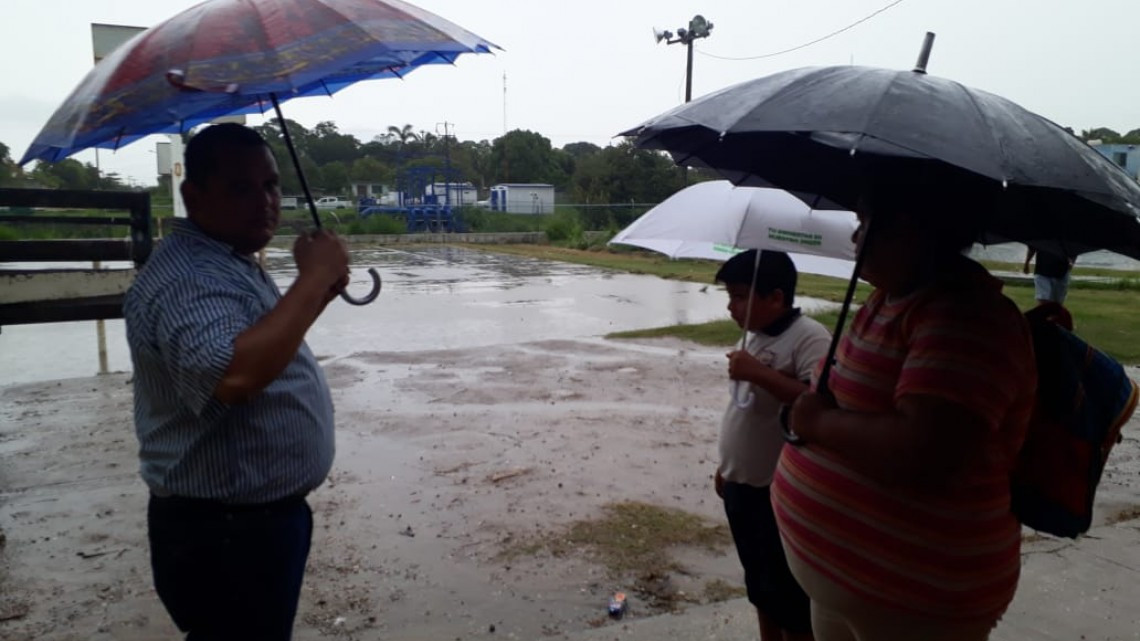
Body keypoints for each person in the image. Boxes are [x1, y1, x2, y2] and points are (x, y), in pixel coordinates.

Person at [774, 185, 1037, 641]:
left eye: (866, 224)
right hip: (845, 584)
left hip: (913, 598)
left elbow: (926, 450)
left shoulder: (966, 315)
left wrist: (817, 423)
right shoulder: (890, 299)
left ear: (911, 229)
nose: (856, 240)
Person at [124, 123, 350, 640]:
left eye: (271, 185)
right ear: (193, 195)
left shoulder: (227, 261)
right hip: (224, 535)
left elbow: (262, 346)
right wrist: (312, 278)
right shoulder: (191, 279)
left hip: (251, 525)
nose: (264, 202)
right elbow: (233, 374)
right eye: (241, 189)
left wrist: (314, 297)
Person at [714, 249, 829, 641]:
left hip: (779, 491)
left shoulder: (810, 338)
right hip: (742, 483)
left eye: (740, 295)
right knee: (759, 584)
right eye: (729, 296)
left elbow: (821, 405)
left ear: (776, 298)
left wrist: (760, 373)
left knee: (790, 591)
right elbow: (742, 410)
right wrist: (726, 466)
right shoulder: (753, 335)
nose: (732, 306)